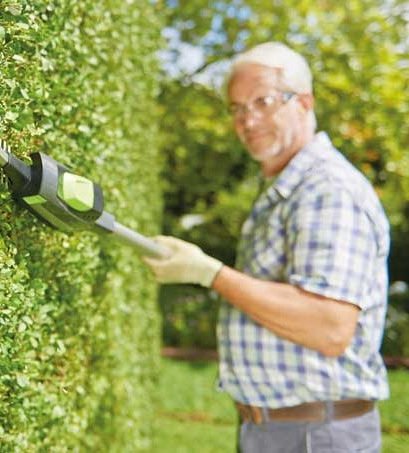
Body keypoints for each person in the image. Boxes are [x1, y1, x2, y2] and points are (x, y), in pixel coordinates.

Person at [143, 42, 390, 452]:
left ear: (304, 102)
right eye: (237, 108)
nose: (248, 119)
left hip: (317, 437)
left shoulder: (326, 190)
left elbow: (329, 327)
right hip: (274, 429)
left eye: (263, 101)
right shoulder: (285, 190)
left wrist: (210, 273)